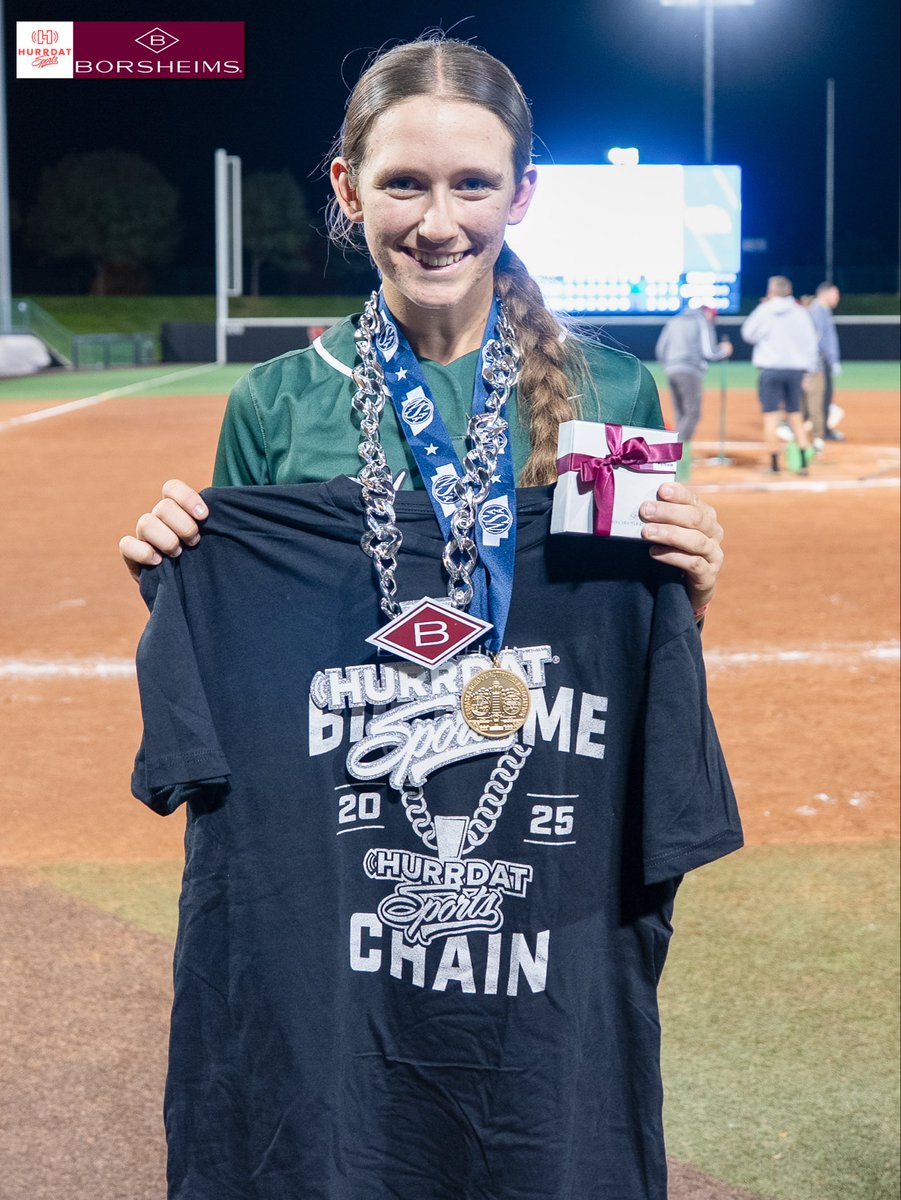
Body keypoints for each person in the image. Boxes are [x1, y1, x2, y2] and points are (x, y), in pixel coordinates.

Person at [120, 37, 740, 1200]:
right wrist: (176, 573)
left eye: (473, 184)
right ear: (349, 190)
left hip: (537, 888)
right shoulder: (277, 402)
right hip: (355, 870)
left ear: (522, 194)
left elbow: (632, 658)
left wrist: (687, 590)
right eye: (404, 183)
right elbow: (262, 661)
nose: (438, 220)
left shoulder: (615, 394)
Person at [741, 275, 819, 474]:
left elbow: (747, 334)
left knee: (771, 417)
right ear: (789, 291)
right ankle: (803, 462)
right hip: (795, 370)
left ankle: (775, 465)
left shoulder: (764, 310)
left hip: (771, 370)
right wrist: (809, 372)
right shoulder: (800, 312)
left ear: (771, 291)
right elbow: (811, 343)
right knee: (795, 415)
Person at [654, 303, 733, 479]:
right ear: (707, 313)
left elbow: (660, 349)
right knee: (692, 413)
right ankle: (678, 457)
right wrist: (723, 351)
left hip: (671, 369)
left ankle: (675, 455)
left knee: (680, 413)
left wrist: (669, 366)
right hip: (690, 370)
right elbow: (709, 351)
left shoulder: (674, 320)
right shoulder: (701, 321)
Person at [803, 281, 844, 448]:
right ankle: (820, 431)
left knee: (824, 396)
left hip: (824, 360)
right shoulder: (817, 311)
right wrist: (828, 359)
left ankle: (823, 429)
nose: (837, 298)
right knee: (818, 396)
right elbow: (817, 339)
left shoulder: (824, 310)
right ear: (825, 294)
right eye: (835, 294)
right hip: (818, 361)